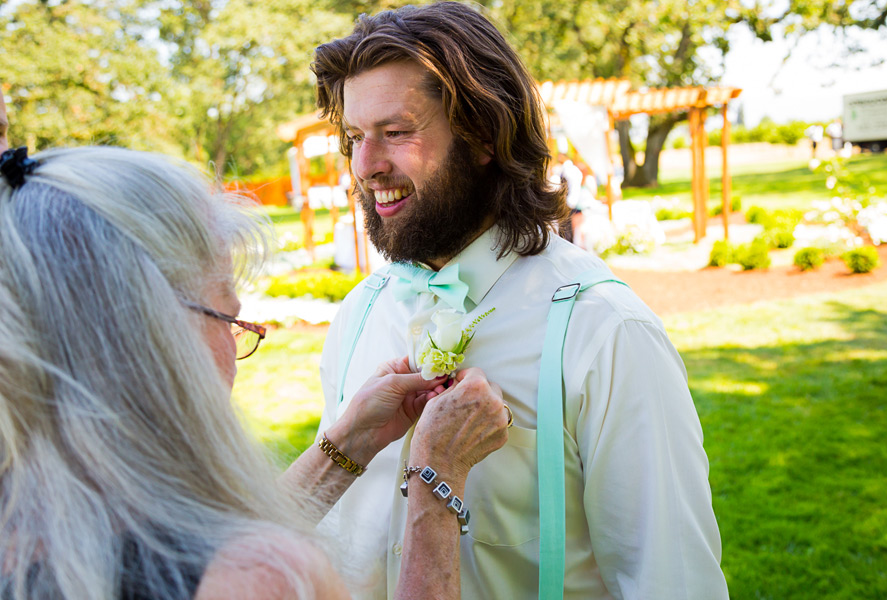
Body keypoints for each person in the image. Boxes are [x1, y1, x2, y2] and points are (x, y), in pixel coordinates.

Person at [311, 2, 728, 599]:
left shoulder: (603, 330)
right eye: (354, 137)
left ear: (483, 134)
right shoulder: (358, 314)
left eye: (396, 133)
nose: (367, 166)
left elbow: (671, 581)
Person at [0, 145, 509, 599]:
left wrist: (353, 439)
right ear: (154, 335)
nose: (235, 342)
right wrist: (436, 481)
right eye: (228, 317)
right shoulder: (261, 579)